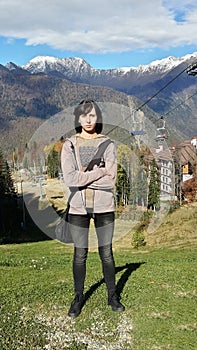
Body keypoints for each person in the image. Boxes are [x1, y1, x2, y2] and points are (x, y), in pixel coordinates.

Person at [61, 99, 125, 318]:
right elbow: (70, 179)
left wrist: (84, 178)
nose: (88, 120)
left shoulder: (108, 144)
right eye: (84, 115)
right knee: (80, 254)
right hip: (79, 208)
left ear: (98, 118)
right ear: (78, 118)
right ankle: (78, 297)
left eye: (93, 115)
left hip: (104, 206)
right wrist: (99, 172)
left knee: (106, 253)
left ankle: (112, 296)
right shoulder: (69, 144)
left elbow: (111, 180)